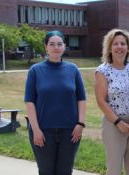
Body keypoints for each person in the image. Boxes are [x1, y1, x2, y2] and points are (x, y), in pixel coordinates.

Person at [24, 30, 86, 175]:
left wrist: (80, 124)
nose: (56, 47)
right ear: (46, 46)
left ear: (64, 46)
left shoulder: (73, 70)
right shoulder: (35, 70)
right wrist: (36, 130)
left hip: (70, 132)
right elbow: (29, 102)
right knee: (46, 171)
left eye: (59, 44)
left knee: (65, 171)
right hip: (43, 132)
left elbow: (81, 99)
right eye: (52, 44)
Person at [95, 29, 129, 175]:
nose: (119, 47)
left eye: (123, 43)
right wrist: (118, 123)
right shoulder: (103, 71)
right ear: (109, 47)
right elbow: (101, 101)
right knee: (114, 169)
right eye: (115, 44)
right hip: (113, 124)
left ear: (128, 47)